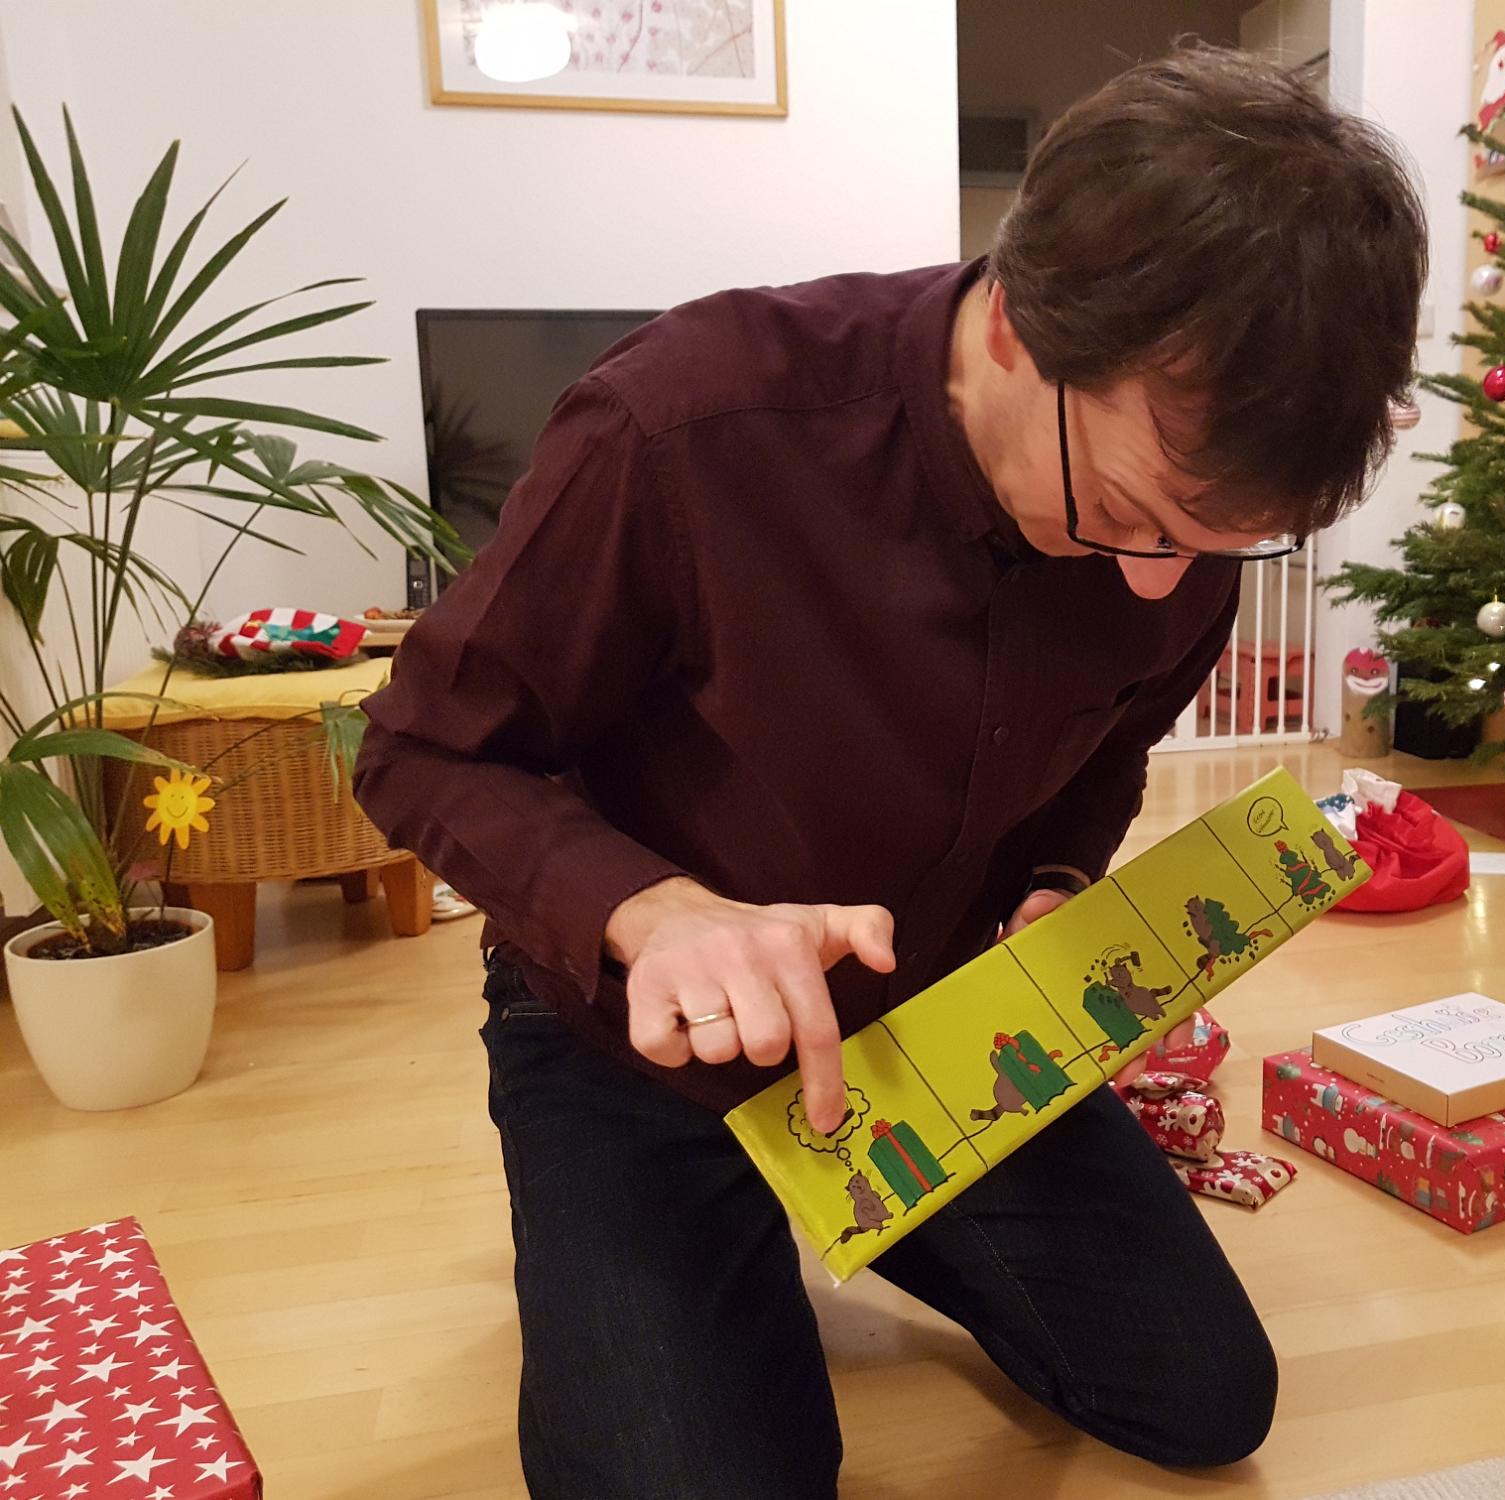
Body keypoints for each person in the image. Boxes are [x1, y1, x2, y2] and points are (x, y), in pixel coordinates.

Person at [355, 42, 1425, 1499]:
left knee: (1205, 1397)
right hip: (635, 1041)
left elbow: (1106, 748)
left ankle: (819, 1218)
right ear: (1016, 328)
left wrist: (1058, 888)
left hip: (935, 1023)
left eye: (1213, 543)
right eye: (1126, 512)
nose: (1159, 576)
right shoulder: (687, 424)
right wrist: (655, 913)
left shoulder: (1187, 524)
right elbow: (420, 745)